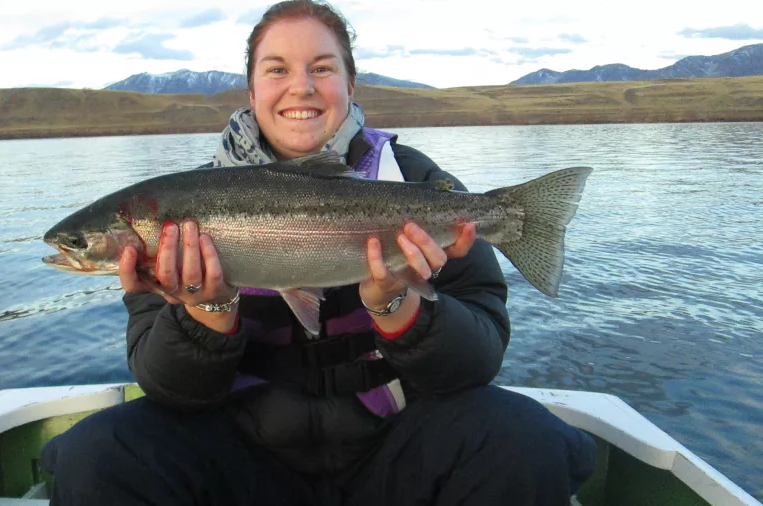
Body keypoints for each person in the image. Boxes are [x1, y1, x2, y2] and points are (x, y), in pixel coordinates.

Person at [40, 1, 597, 504]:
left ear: (351, 86)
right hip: (243, 463)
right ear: (251, 92)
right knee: (95, 452)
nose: (300, 86)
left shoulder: (418, 184)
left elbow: (478, 362)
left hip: (393, 457)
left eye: (322, 68)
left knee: (527, 439)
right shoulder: (175, 210)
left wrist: (398, 304)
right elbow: (168, 389)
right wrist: (205, 311)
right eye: (276, 69)